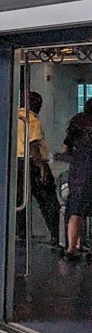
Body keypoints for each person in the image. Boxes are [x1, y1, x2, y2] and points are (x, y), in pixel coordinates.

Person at [17, 91, 61, 247]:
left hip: (17, 164)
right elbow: (34, 144)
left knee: (19, 198)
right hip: (32, 163)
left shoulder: (14, 117)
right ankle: (55, 235)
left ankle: (20, 234)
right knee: (47, 199)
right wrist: (41, 167)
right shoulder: (32, 120)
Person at [60, 98, 92, 260]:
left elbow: (65, 149)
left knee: (76, 210)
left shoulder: (77, 122)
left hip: (79, 170)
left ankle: (72, 248)